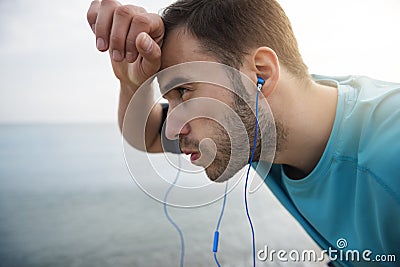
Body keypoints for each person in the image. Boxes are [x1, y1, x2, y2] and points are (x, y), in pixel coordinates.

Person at [87, 0, 400, 266]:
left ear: (260, 74)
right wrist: (132, 82)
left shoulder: (390, 156)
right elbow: (150, 135)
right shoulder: (262, 118)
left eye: (184, 90)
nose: (173, 125)